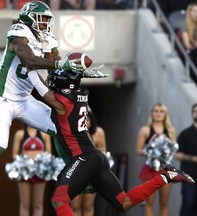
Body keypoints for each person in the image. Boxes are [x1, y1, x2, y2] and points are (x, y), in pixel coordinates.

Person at [0, 1, 87, 214]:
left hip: (25, 99)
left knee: (58, 128)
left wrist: (77, 73)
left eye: (47, 20)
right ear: (29, 18)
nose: (45, 24)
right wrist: (60, 65)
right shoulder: (19, 31)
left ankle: (76, 174)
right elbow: (29, 60)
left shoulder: (47, 39)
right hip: (4, 98)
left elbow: (55, 70)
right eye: (41, 19)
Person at [45, 69, 194, 216]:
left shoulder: (62, 101)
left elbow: (42, 90)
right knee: (124, 202)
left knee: (59, 200)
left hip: (83, 158)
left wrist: (30, 68)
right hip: (96, 158)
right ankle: (166, 176)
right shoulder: (78, 96)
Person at [136, 103, 176, 216]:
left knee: (164, 203)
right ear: (152, 113)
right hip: (150, 168)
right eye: (156, 111)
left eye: (161, 111)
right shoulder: (145, 130)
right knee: (149, 202)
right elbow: (138, 150)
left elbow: (172, 149)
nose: (158, 113)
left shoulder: (171, 130)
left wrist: (164, 153)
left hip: (166, 169)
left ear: (165, 114)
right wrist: (152, 152)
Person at [71, 110, 107, 216]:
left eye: (87, 119)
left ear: (91, 121)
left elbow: (103, 155)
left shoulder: (98, 133)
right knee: (75, 206)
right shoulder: (71, 133)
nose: (84, 121)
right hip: (75, 173)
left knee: (88, 205)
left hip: (92, 175)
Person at [12, 125, 51, 216]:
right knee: (25, 203)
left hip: (39, 170)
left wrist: (40, 162)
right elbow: (14, 154)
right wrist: (24, 162)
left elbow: (48, 153)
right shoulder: (20, 134)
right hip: (25, 170)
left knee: (38, 203)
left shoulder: (44, 134)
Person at [175, 103, 197, 216]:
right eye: (195, 111)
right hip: (189, 176)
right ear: (192, 113)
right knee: (188, 203)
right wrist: (193, 159)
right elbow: (176, 154)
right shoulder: (185, 134)